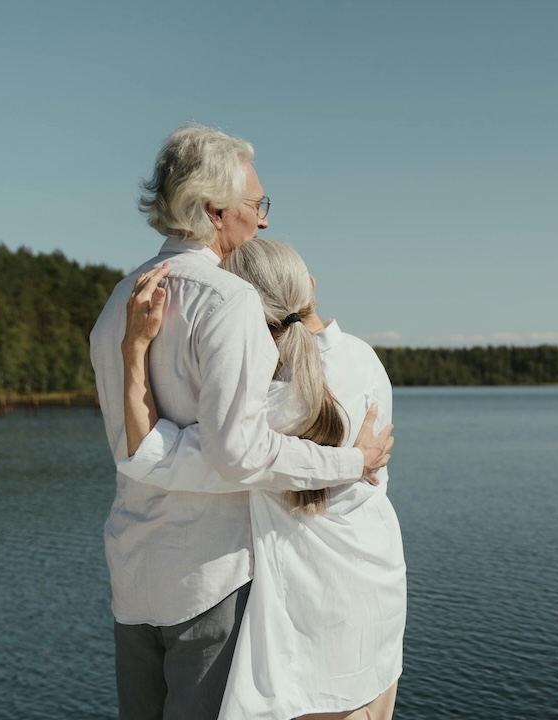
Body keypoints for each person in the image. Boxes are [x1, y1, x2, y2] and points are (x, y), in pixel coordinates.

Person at [89, 124, 393, 720]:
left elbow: (133, 446)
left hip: (132, 571)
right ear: (214, 211)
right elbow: (240, 453)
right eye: (257, 205)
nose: (264, 220)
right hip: (212, 578)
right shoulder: (229, 301)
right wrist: (351, 462)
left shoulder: (119, 300)